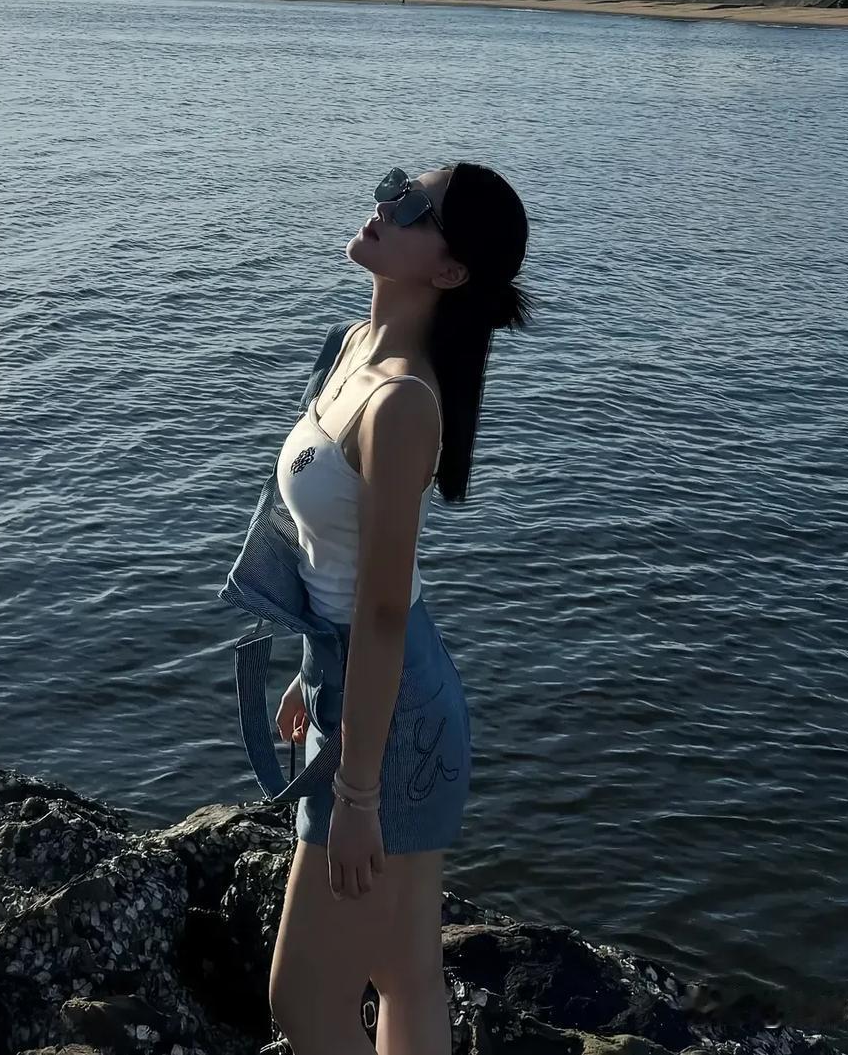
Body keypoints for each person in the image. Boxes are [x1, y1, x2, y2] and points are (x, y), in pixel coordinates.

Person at [266, 162, 532, 1055]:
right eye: (396, 186)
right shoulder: (351, 347)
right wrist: (312, 674)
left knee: (304, 1001)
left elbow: (381, 612)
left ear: (450, 270)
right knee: (405, 970)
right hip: (364, 685)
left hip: (394, 720)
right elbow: (338, 570)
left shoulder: (403, 403)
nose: (387, 205)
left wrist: (357, 792)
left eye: (415, 207)